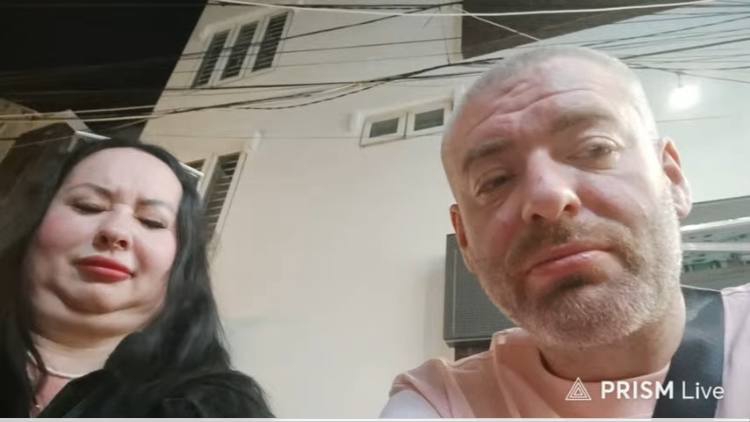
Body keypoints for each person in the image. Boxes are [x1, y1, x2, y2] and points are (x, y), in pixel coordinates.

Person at [381, 46, 750, 418]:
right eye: (494, 181)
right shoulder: (442, 401)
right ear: (465, 240)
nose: (548, 197)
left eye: (595, 148)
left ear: (671, 178)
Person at [0, 138, 273, 417]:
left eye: (152, 221)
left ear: (182, 264)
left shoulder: (217, 407)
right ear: (31, 223)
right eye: (88, 205)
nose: (116, 231)